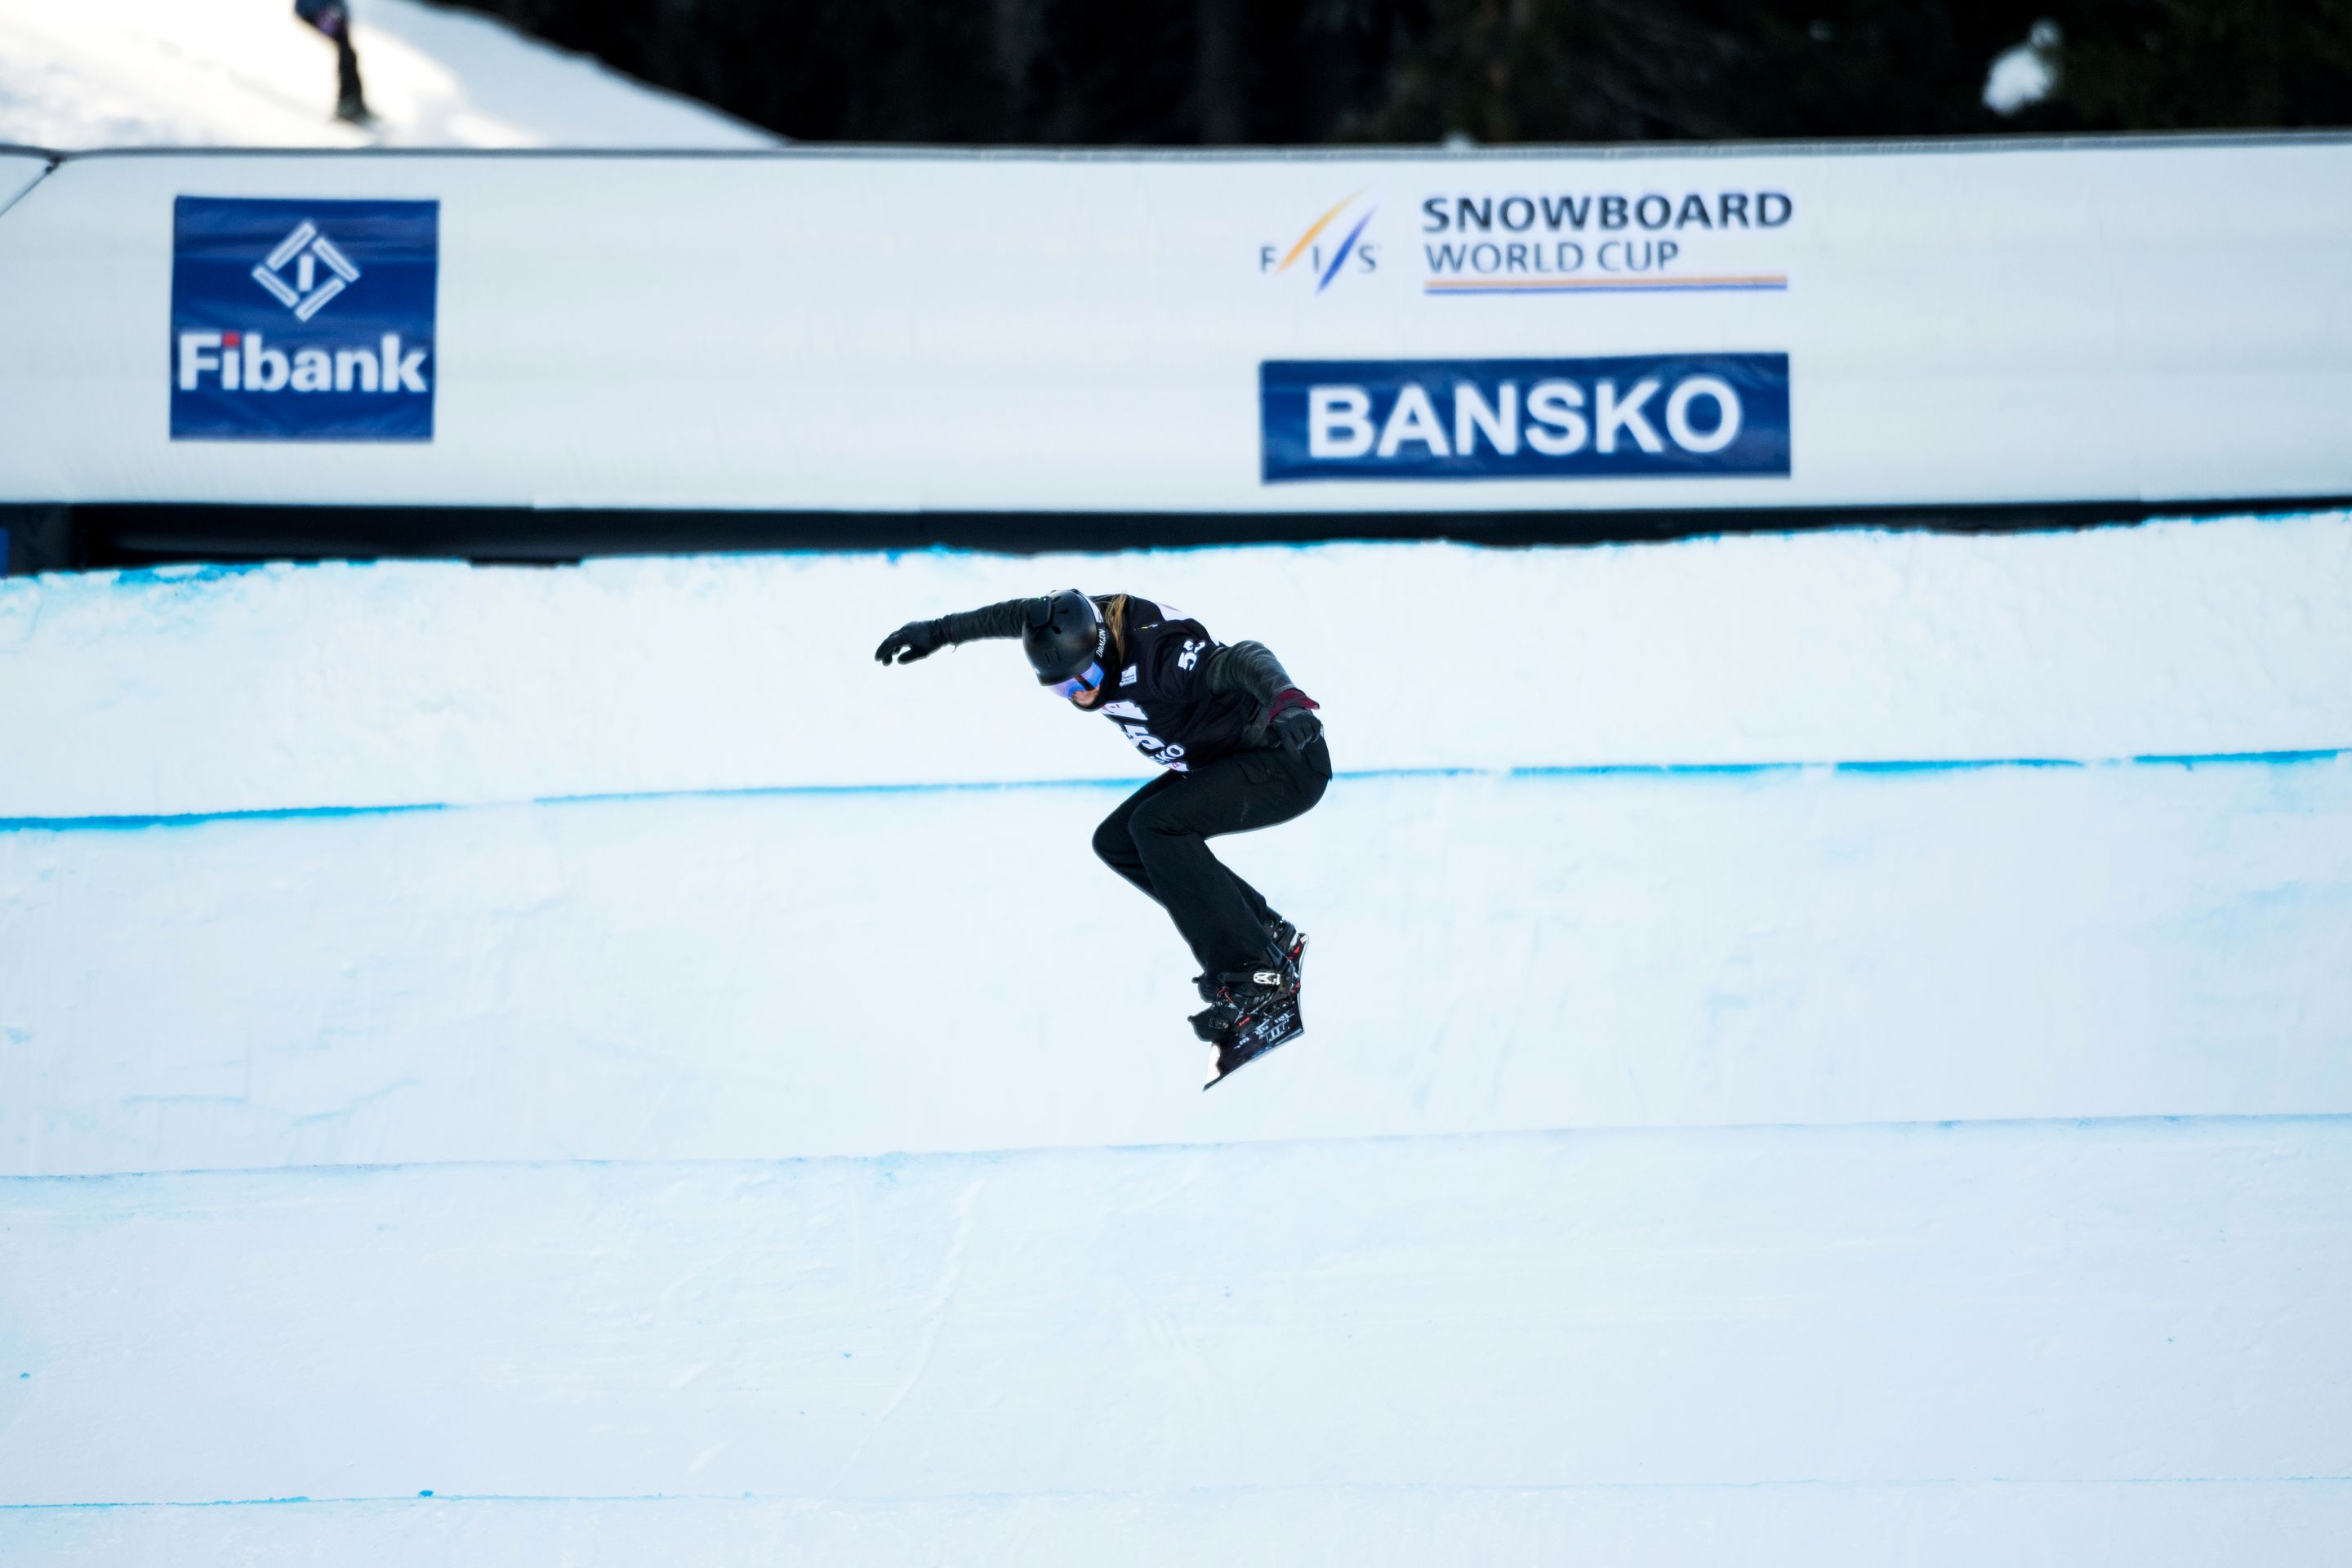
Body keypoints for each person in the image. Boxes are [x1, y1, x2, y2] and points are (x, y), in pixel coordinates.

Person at [876, 590, 1329, 1081]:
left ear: (1104, 650)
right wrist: (940, 633)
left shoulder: (1163, 656)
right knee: (1118, 841)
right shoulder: (1073, 619)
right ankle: (1261, 933)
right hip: (1225, 760)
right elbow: (1016, 616)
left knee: (1156, 826)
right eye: (1061, 689)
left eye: (1087, 679)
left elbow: (1245, 657)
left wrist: (1287, 701)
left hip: (1283, 758)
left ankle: (1254, 975)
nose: (1081, 695)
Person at [295, 0, 373, 125]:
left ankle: (353, 102)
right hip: (320, 12)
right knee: (347, 53)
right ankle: (348, 104)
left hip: (328, 13)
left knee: (348, 53)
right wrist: (327, 13)